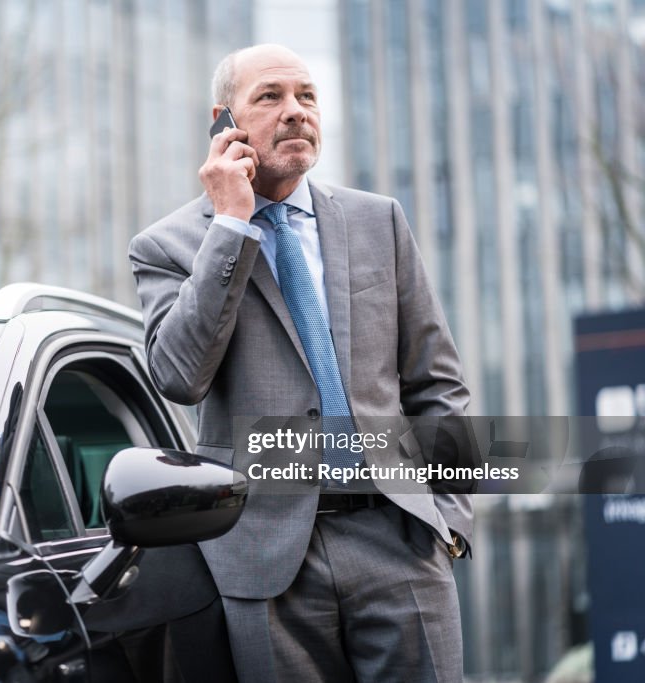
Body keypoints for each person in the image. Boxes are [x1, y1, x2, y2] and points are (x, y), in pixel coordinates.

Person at [128, 44, 473, 682]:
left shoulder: (380, 222)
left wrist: (447, 516)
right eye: (270, 97)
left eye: (306, 97)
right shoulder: (169, 245)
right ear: (222, 121)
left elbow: (437, 383)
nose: (295, 112)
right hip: (263, 558)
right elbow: (179, 376)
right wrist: (231, 226)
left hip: (396, 536)